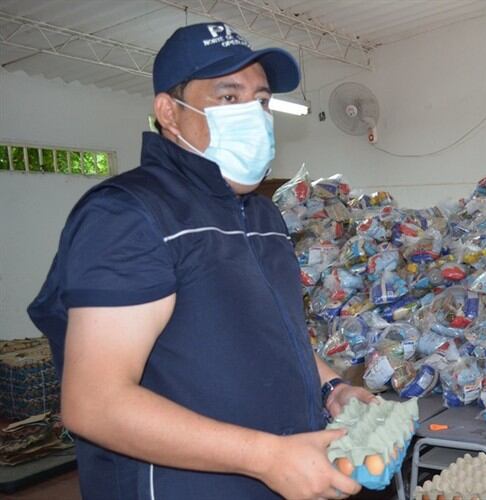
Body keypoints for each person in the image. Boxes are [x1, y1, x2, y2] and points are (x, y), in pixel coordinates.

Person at [28, 22, 374, 499]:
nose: (253, 115)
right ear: (169, 112)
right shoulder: (129, 214)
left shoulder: (261, 214)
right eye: (228, 97)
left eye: (261, 100)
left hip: (278, 478)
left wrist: (331, 388)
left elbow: (273, 332)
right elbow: (95, 403)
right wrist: (266, 456)